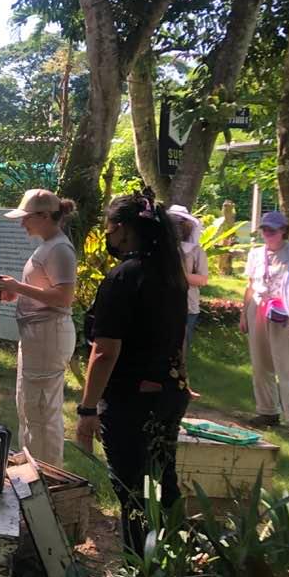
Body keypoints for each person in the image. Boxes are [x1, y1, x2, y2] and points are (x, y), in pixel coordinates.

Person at [75, 189, 189, 555]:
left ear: (123, 229)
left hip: (131, 399)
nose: (107, 235)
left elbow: (105, 351)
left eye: (109, 227)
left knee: (133, 489)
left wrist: (88, 409)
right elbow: (177, 336)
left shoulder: (124, 278)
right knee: (162, 477)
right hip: (169, 391)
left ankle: (142, 570)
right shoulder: (171, 275)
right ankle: (174, 561)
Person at [0, 189, 77, 468]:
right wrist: (17, 293)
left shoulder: (60, 248)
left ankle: (46, 476)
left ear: (43, 216)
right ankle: (30, 465)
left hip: (48, 335)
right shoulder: (48, 246)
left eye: (26, 218)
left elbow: (64, 297)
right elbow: (45, 290)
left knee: (41, 410)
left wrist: (17, 287)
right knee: (27, 404)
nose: (22, 223)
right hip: (36, 335)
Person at [240, 211, 289, 437]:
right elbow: (250, 284)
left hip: (288, 313)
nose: (267, 233)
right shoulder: (255, 254)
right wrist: (243, 313)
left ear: (284, 231)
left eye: (272, 230)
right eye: (264, 229)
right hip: (258, 309)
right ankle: (267, 411)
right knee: (260, 364)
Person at [167, 205, 209, 357]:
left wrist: (177, 274)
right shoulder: (162, 249)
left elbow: (203, 279)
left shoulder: (196, 251)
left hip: (188, 305)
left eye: (179, 223)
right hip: (163, 303)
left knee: (181, 348)